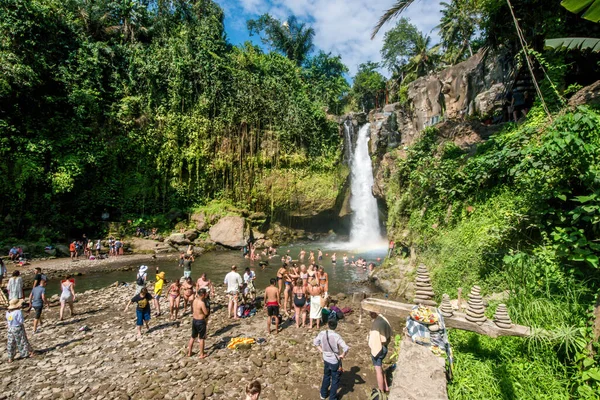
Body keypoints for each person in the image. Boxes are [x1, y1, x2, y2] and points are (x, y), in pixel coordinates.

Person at [314, 316, 349, 400]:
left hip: (326, 358)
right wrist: (343, 355)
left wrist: (321, 350)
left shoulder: (322, 333)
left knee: (326, 376)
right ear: (336, 325)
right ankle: (332, 398)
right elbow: (346, 348)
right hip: (334, 360)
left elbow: (315, 342)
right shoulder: (337, 336)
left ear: (328, 325)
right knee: (335, 380)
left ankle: (323, 394)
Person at [369, 311, 393, 393]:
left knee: (378, 370)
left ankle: (381, 391)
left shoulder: (377, 324)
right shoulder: (384, 319)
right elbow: (389, 335)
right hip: (385, 347)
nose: (370, 314)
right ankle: (386, 386)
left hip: (379, 349)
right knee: (381, 367)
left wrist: (373, 351)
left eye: (371, 313)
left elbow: (374, 341)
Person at [187, 288, 210, 358]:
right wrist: (208, 310)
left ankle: (189, 352)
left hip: (194, 320)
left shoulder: (195, 300)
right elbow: (206, 313)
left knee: (192, 337)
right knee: (202, 338)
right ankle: (201, 354)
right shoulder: (202, 303)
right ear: (203, 295)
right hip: (200, 321)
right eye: (205, 294)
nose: (206, 295)